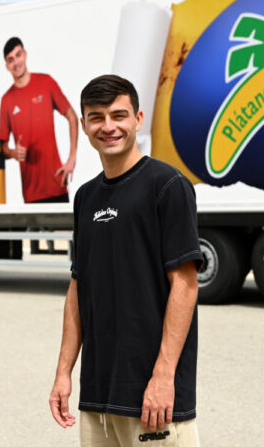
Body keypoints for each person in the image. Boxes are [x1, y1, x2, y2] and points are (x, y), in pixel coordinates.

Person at [49, 74, 202, 446]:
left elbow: (185, 286)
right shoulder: (86, 197)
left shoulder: (166, 186)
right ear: (84, 124)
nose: (108, 126)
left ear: (138, 119)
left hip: (153, 399)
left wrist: (163, 377)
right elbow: (78, 288)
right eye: (96, 117)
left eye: (118, 115)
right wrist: (64, 372)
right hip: (99, 396)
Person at [0, 37, 78, 204]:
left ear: (25, 54)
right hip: (30, 192)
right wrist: (13, 153)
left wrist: (72, 158)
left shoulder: (46, 82)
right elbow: (2, 148)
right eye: (10, 60)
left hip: (57, 185)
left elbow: (72, 117)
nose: (16, 62)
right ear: (7, 66)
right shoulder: (6, 100)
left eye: (18, 55)